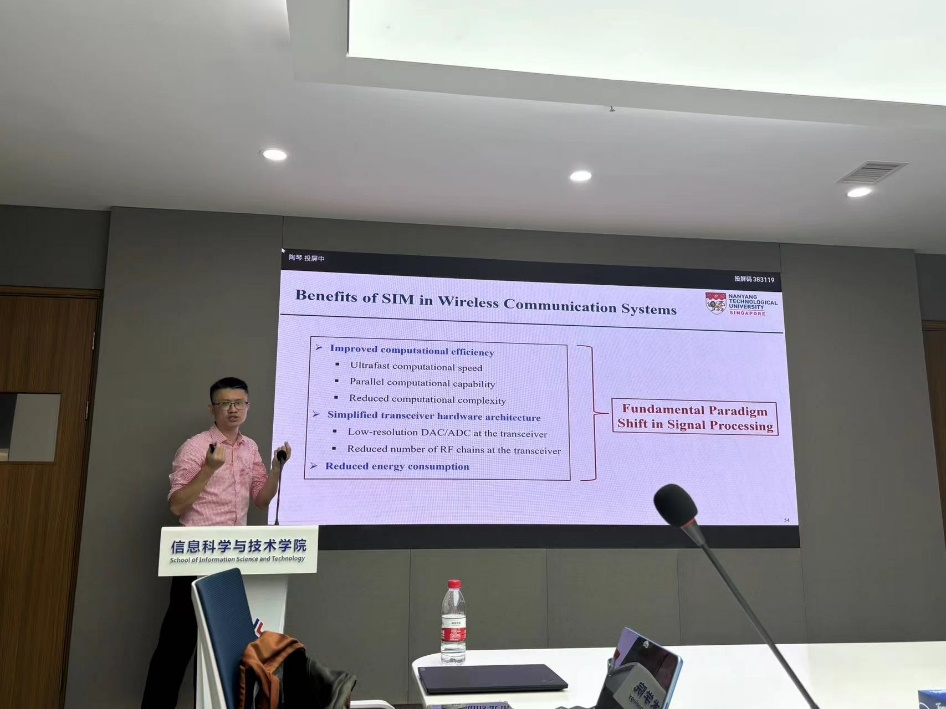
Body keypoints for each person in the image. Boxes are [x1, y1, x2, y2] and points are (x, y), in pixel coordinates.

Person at [141, 377, 291, 708]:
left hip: (233, 556)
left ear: (248, 407)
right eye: (225, 404)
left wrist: (276, 471)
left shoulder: (250, 448)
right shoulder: (196, 447)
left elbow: (260, 499)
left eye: (239, 403)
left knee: (221, 647)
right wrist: (209, 469)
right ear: (212, 409)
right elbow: (177, 505)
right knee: (177, 645)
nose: (233, 409)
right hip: (196, 556)